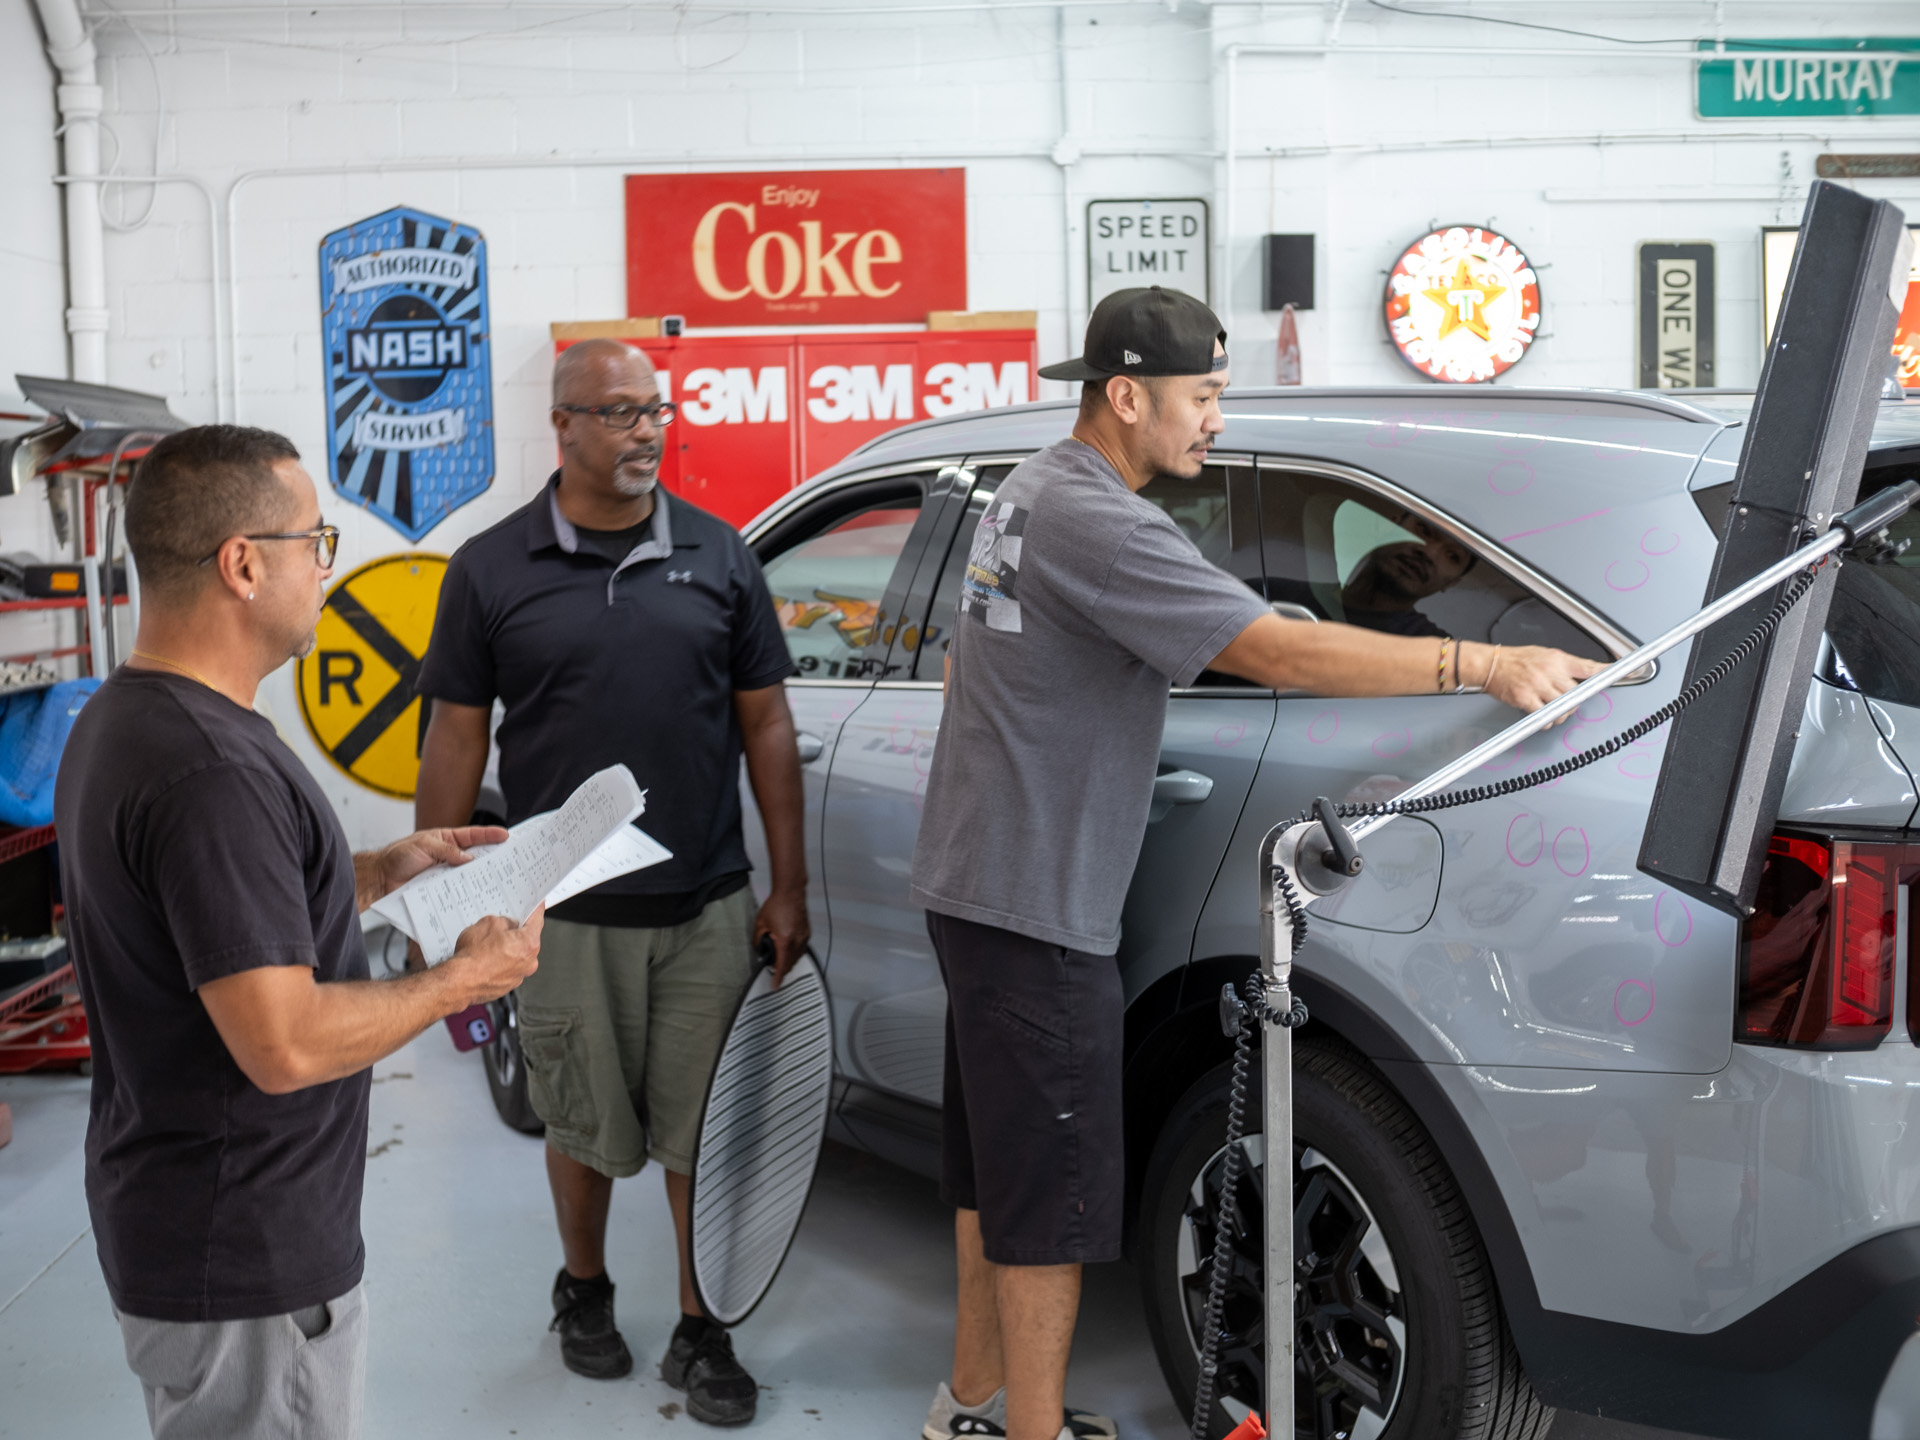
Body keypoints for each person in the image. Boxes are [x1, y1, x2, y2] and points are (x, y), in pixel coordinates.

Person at [909, 286, 1602, 1440]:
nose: (1216, 419)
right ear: (1126, 397)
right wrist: (1480, 662)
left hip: (982, 888)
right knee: (1052, 1205)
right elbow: (1265, 646)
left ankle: (968, 1411)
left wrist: (1382, 597)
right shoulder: (1103, 522)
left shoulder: (1030, 489)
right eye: (1205, 395)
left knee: (998, 1180)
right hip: (1036, 909)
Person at [56, 424, 544, 1440]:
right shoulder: (211, 771)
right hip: (243, 1257)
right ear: (242, 565)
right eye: (315, 540)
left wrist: (374, 873)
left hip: (192, 1216)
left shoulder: (131, 718)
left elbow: (212, 914)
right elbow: (282, 1045)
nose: (330, 564)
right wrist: (469, 976)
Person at [414, 338, 809, 1428]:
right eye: (622, 412)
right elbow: (455, 734)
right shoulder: (490, 568)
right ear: (566, 427)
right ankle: (583, 1290)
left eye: (657, 410)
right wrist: (442, 895)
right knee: (582, 1123)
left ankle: (701, 1324)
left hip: (707, 904)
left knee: (702, 1129)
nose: (648, 430)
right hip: (561, 915)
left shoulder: (721, 557)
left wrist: (791, 885)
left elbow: (766, 723)